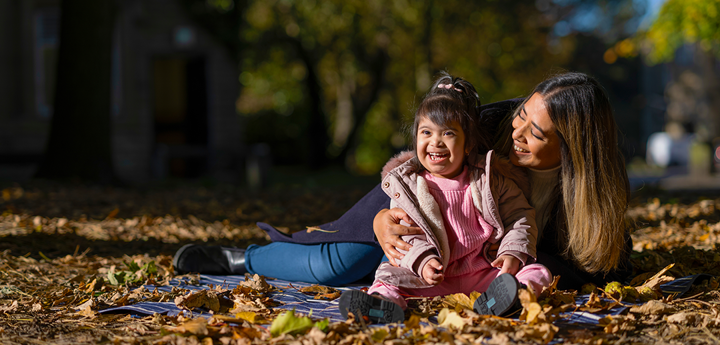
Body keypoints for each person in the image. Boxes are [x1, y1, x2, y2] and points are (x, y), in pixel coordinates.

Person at [173, 72, 632, 290]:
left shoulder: (593, 195)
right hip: (422, 202)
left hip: (476, 252)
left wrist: (524, 261)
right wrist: (379, 221)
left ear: (574, 149)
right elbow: (421, 157)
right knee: (342, 265)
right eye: (521, 116)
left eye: (534, 132)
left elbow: (602, 264)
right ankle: (244, 259)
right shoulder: (489, 126)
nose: (516, 132)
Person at [336, 74, 551, 323]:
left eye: (448, 133)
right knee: (388, 276)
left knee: (537, 271)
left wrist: (512, 252)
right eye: (426, 132)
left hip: (482, 273)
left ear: (468, 143)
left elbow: (519, 217)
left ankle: (511, 298)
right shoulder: (409, 186)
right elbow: (405, 235)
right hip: (429, 277)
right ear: (416, 137)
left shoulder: (490, 180)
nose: (435, 141)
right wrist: (423, 261)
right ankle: (382, 304)